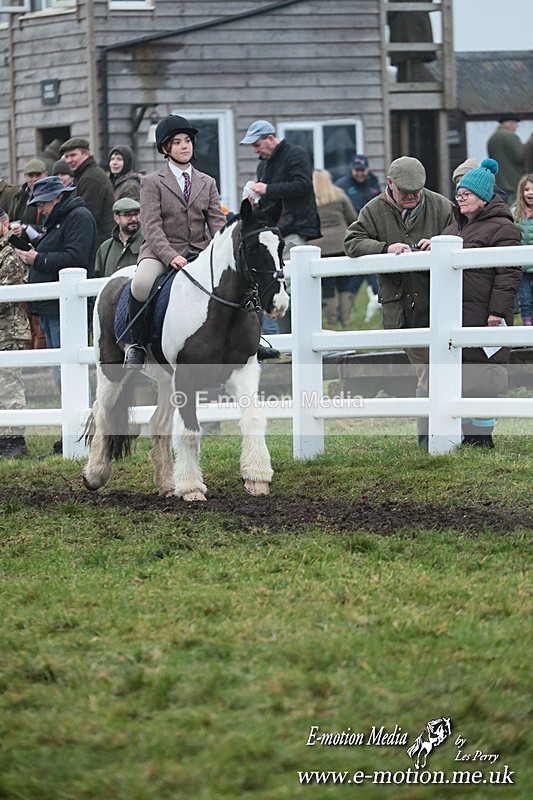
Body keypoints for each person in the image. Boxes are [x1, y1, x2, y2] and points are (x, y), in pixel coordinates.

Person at [344, 156, 454, 447]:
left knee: (435, 370)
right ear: (390, 184)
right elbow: (352, 241)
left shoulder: (442, 206)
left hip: (439, 303)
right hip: (402, 308)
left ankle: (432, 436)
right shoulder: (373, 210)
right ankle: (430, 437)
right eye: (405, 192)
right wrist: (384, 248)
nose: (412, 197)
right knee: (427, 369)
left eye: (417, 191)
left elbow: (460, 235)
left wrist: (438, 243)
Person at [124, 114, 227, 367]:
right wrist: (171, 256)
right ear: (165, 149)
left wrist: (223, 250)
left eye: (187, 141)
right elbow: (151, 227)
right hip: (161, 251)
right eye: (178, 142)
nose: (184, 146)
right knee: (141, 284)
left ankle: (248, 340)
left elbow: (217, 223)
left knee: (236, 280)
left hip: (201, 250)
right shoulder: (151, 182)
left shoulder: (207, 182)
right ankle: (136, 344)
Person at [438, 159, 521, 449]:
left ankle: (482, 438)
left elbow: (509, 274)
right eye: (458, 194)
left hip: (485, 312)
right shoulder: (453, 229)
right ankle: (462, 434)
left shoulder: (503, 229)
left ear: (483, 198)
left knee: (485, 375)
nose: (460, 198)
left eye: (467, 194)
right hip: (455, 313)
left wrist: (497, 311)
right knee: (460, 374)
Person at [240, 119, 321, 334]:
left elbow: (303, 185)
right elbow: (271, 200)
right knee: (274, 284)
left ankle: (293, 337)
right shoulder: (263, 164)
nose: (255, 150)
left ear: (270, 138)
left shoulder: (295, 154)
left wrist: (267, 189)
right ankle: (281, 338)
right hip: (274, 233)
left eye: (257, 144)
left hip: (295, 228)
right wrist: (255, 203)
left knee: (290, 286)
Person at [13, 176, 98, 372]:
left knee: (68, 371)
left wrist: (37, 258)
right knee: (61, 370)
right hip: (53, 306)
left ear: (58, 198)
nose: (40, 210)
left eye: (42, 204)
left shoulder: (78, 217)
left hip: (66, 308)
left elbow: (76, 258)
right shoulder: (60, 219)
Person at [307, 169, 357, 327]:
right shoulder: (339, 194)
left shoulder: (309, 199)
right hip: (341, 244)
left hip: (319, 247)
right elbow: (352, 218)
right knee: (344, 285)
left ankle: (332, 322)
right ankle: (346, 320)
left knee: (327, 288)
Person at [0, 207, 31, 458]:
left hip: (9, 330)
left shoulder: (11, 253)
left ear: (5, 224)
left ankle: (15, 440)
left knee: (9, 385)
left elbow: (8, 293)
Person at [335, 153, 381, 311]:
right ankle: (345, 313)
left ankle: (379, 302)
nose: (360, 173)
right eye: (357, 170)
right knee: (355, 275)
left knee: (369, 271)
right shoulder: (341, 186)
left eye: (363, 170)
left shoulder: (374, 183)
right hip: (352, 235)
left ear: (367, 169)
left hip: (372, 234)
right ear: (351, 169)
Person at [58, 136, 114, 247]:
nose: (69, 160)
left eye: (73, 155)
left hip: (98, 242)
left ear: (86, 154)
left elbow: (87, 216)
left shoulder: (90, 178)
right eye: (67, 156)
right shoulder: (84, 175)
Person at [95, 197, 143, 279]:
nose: (134, 219)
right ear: (117, 218)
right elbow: (98, 279)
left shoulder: (146, 243)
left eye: (136, 214)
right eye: (128, 215)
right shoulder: (105, 248)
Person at [8, 158, 48, 245]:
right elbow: (10, 220)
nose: (34, 179)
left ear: (46, 174)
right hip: (19, 245)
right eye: (30, 175)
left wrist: (24, 229)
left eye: (38, 175)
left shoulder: (50, 198)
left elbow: (48, 227)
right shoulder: (18, 197)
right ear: (25, 176)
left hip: (41, 245)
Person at [511, 173, 533, 326]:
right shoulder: (514, 213)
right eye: (527, 189)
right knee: (525, 300)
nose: (530, 193)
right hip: (522, 266)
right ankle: (527, 329)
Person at [487, 117, 524, 204]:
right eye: (515, 124)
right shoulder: (511, 136)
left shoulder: (493, 138)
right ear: (510, 123)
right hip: (514, 180)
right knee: (515, 205)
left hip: (499, 180)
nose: (516, 127)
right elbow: (521, 157)